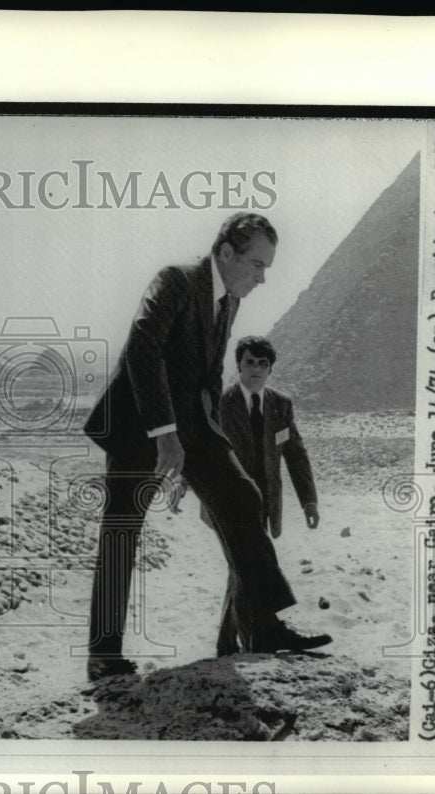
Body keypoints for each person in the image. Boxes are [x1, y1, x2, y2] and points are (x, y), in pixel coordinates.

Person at [83, 212, 330, 682]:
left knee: (242, 496)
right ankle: (103, 654)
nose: (263, 277)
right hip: (139, 423)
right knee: (122, 532)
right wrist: (165, 434)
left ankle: (263, 627)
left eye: (267, 267)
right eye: (257, 264)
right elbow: (142, 347)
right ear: (225, 252)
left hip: (192, 427)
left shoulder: (230, 299)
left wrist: (208, 444)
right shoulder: (176, 280)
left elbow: (208, 374)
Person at [215, 335, 323, 655]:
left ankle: (227, 642)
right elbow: (205, 449)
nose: (256, 370)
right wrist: (183, 485)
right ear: (238, 365)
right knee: (254, 564)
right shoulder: (222, 403)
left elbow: (296, 454)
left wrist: (309, 500)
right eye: (250, 362)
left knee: (243, 568)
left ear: (271, 369)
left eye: (263, 364)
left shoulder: (281, 405)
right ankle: (261, 639)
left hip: (266, 503)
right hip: (229, 502)